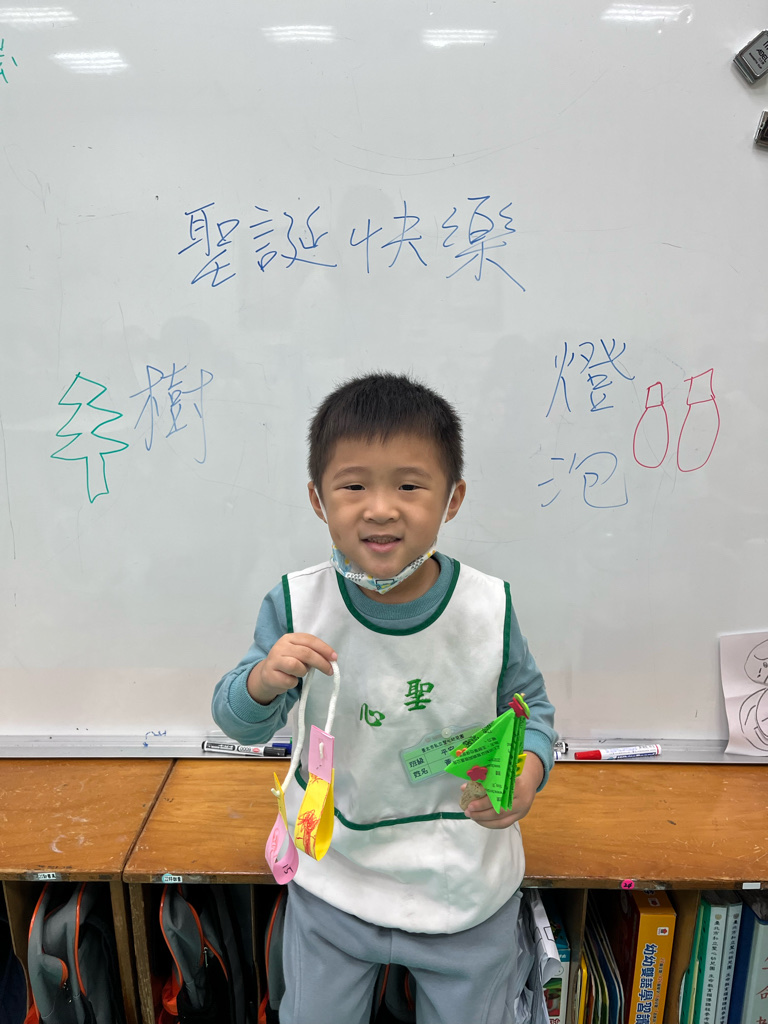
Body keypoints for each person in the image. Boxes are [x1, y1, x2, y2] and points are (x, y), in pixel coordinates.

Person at [212, 372, 557, 1024]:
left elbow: (530, 710)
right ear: (317, 499)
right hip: (333, 880)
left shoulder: (488, 608)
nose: (380, 509)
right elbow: (238, 720)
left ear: (452, 499)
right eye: (353, 486)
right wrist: (263, 682)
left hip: (464, 887)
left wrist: (526, 772)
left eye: (408, 486)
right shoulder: (298, 603)